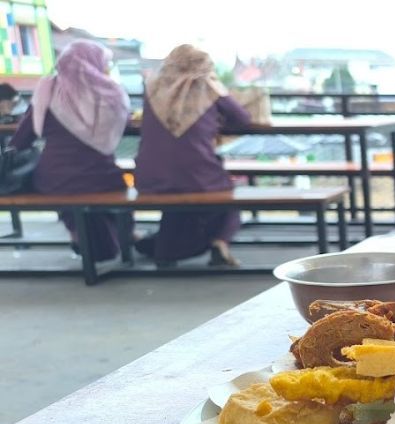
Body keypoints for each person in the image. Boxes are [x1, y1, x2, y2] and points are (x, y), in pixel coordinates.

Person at [9, 41, 132, 261]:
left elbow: (22, 138)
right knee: (116, 185)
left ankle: (80, 237)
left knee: (63, 184)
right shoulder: (112, 93)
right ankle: (124, 237)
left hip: (53, 178)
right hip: (101, 175)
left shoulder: (48, 90)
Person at [134, 44, 251, 267]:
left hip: (149, 176)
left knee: (179, 190)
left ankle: (168, 249)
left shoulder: (153, 88)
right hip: (197, 175)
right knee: (227, 194)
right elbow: (241, 119)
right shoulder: (207, 86)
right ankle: (220, 242)